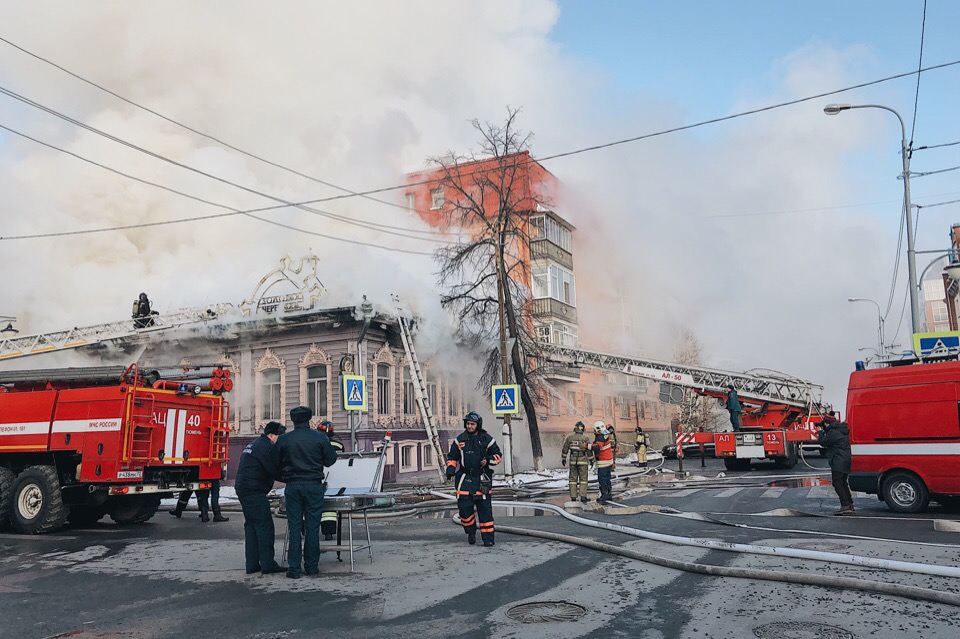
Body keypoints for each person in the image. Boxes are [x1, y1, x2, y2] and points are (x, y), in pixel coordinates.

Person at [271, 405, 338, 579]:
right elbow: (331, 460)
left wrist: (285, 476)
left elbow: (274, 464)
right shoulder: (320, 437)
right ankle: (311, 567)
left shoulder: (284, 439)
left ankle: (294, 569)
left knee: (294, 526)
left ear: (293, 421)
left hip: (293, 486)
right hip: (314, 485)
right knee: (312, 526)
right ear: (309, 420)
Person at [235, 421, 286, 575]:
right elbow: (274, 470)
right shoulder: (266, 447)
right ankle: (268, 564)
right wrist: (292, 476)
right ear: (271, 435)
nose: (280, 441)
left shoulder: (256, 444)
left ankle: (252, 564)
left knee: (251, 526)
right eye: (279, 436)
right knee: (264, 526)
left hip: (244, 488)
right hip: (253, 490)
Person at [446, 411, 502, 547]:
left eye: (472, 424)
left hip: (482, 478)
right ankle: (471, 531)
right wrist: (450, 469)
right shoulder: (460, 440)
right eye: (468, 424)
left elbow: (497, 455)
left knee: (485, 511)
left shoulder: (486, 439)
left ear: (478, 425)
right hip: (465, 478)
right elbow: (452, 457)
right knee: (464, 509)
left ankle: (488, 539)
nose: (470, 426)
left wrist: (488, 460)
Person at [818, 412, 854, 515]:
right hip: (845, 460)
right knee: (843, 483)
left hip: (838, 461)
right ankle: (849, 504)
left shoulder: (833, 432)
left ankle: (845, 505)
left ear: (827, 423)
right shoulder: (841, 430)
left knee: (837, 483)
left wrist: (820, 433)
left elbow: (824, 442)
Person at [316, 419, 344, 541]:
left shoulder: (314, 442)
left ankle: (304, 531)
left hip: (315, 478)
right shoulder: (339, 445)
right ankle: (329, 533)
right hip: (334, 479)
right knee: (330, 509)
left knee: (308, 507)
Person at [561, 421, 593, 503]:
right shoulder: (585, 439)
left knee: (572, 479)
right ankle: (583, 496)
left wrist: (563, 458)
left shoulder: (569, 438)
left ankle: (573, 497)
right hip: (582, 461)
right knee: (583, 479)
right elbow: (589, 450)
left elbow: (565, 449)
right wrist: (591, 460)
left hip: (572, 461)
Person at [591, 420, 615, 503]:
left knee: (602, 479)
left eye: (594, 430)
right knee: (607, 478)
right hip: (608, 461)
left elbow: (597, 448)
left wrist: (587, 446)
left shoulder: (600, 437)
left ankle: (604, 495)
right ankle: (609, 493)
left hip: (603, 462)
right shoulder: (605, 435)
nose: (593, 431)